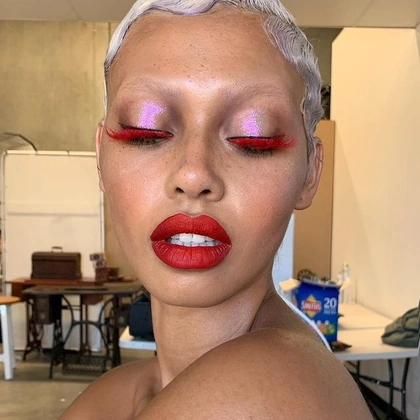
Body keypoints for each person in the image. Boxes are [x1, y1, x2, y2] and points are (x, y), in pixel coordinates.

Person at [62, 0, 372, 418]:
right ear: (100, 157)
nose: (193, 175)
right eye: (145, 131)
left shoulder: (266, 394)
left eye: (253, 138)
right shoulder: (131, 388)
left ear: (310, 174)